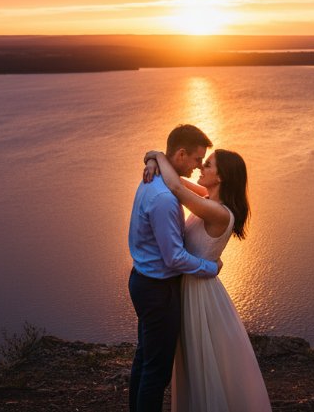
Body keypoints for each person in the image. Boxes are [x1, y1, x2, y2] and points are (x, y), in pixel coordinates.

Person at [142, 147, 272, 412]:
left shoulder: (219, 212)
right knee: (197, 359)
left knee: (201, 359)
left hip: (198, 293)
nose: (201, 167)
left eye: (208, 165)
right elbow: (176, 182)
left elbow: (176, 189)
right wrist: (154, 160)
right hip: (194, 284)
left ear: (221, 177)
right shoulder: (208, 198)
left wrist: (157, 154)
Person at [128, 124, 222, 412]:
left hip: (143, 280)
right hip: (158, 290)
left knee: (145, 357)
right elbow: (174, 258)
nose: (197, 167)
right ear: (180, 154)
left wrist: (153, 157)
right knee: (157, 371)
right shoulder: (166, 199)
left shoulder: (153, 179)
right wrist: (210, 266)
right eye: (196, 159)